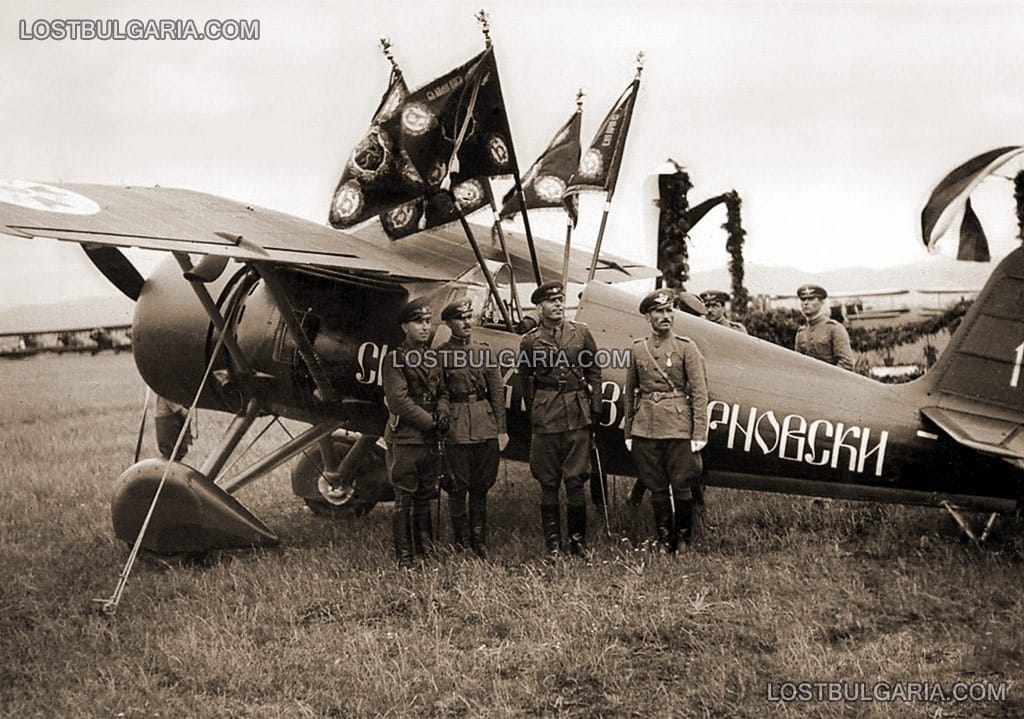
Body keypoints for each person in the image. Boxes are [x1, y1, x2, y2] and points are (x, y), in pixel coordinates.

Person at [518, 281, 603, 556]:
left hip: (577, 415)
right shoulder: (530, 341)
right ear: (539, 307)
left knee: (576, 480)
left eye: (560, 300)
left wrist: (596, 405)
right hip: (546, 417)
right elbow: (526, 379)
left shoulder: (581, 333)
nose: (557, 305)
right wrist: (538, 408)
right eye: (551, 301)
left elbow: (594, 371)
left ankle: (578, 543)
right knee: (548, 481)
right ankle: (553, 545)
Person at [623, 290, 709, 551]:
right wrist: (629, 431)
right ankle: (664, 539)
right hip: (647, 426)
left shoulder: (686, 347)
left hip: (678, 425)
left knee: (681, 484)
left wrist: (699, 432)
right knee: (656, 485)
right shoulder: (639, 349)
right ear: (648, 317)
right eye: (659, 312)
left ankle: (682, 539)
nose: (665, 316)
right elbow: (630, 392)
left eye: (669, 311)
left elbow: (699, 391)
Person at [437, 299, 509, 558]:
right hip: (456, 426)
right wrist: (442, 417)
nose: (467, 323)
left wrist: (501, 429)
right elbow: (440, 392)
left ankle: (479, 542)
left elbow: (497, 392)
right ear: (448, 323)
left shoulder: (484, 351)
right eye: (460, 318)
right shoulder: (441, 354)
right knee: (457, 486)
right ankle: (460, 542)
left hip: (484, 423)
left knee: (481, 485)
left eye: (470, 317)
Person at [382, 297, 449, 568]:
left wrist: (443, 410)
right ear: (404, 327)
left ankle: (426, 551)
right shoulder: (395, 359)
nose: (425, 327)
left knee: (425, 495)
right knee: (404, 498)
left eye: (427, 322)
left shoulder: (433, 356)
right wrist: (430, 422)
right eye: (418, 322)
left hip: (429, 439)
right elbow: (399, 400)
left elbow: (443, 390)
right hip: (407, 438)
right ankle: (405, 557)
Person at [794, 284, 854, 371]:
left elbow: (846, 364)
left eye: (811, 299)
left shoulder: (834, 329)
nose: (806, 303)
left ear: (821, 302)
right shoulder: (801, 333)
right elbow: (798, 364)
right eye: (803, 299)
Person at [154, 395, 192, 461]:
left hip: (179, 415)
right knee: (169, 451)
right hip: (167, 416)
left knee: (180, 451)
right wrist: (180, 409)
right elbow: (165, 392)